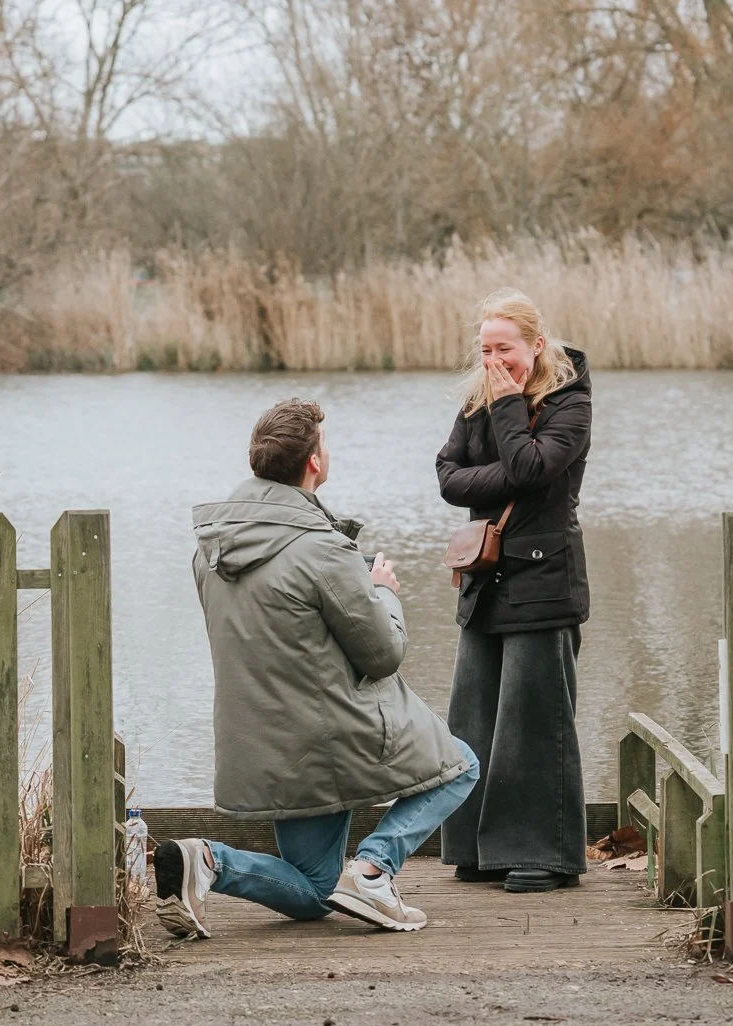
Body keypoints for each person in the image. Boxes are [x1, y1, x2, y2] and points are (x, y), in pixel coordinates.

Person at [157, 398, 479, 937]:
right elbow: (382, 655)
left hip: (265, 743)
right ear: (313, 463)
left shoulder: (209, 552)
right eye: (324, 445)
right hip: (331, 737)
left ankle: (207, 861)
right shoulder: (321, 550)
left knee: (312, 889)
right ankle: (374, 871)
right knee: (461, 766)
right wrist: (383, 593)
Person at [436, 289, 592, 893]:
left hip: (545, 581)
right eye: (486, 350)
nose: (495, 361)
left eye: (505, 349)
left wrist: (507, 407)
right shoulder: (475, 398)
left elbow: (535, 469)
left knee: (535, 720)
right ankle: (478, 849)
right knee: (473, 718)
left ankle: (543, 855)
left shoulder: (570, 400)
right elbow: (449, 478)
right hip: (485, 579)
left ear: (536, 343)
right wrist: (512, 466)